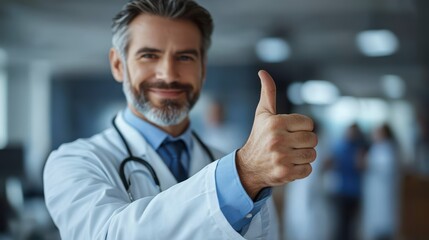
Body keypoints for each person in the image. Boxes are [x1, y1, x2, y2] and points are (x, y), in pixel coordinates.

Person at [43, 0, 317, 239]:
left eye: (184, 57)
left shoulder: (239, 168)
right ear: (118, 65)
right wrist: (242, 175)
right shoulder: (73, 162)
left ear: (203, 68)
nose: (168, 73)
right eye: (149, 55)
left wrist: (246, 174)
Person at [328, 123, 367, 240]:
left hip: (355, 191)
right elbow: (331, 163)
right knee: (341, 224)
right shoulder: (339, 146)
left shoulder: (359, 148)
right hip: (342, 190)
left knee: (351, 225)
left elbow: (361, 166)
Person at [362, 124, 401, 240]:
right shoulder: (375, 147)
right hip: (374, 193)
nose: (374, 135)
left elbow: (386, 169)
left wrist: (368, 164)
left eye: (378, 132)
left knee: (383, 225)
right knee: (375, 224)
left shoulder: (388, 149)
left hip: (383, 193)